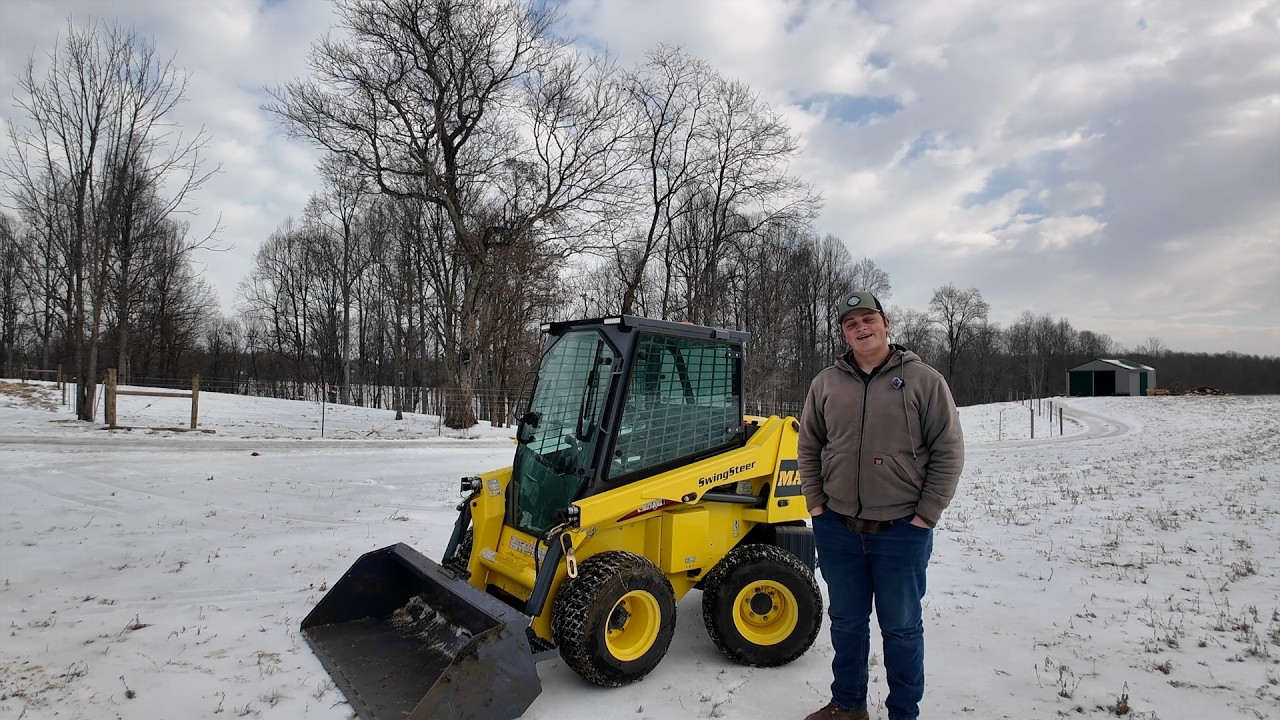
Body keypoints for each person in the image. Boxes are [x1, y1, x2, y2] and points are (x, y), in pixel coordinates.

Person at [798, 291, 964, 720]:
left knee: (902, 629)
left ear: (886, 323)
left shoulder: (924, 380)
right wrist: (816, 504)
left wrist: (926, 515)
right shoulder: (826, 383)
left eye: (867, 319)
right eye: (850, 324)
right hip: (838, 528)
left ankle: (903, 713)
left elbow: (948, 451)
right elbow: (809, 445)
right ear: (844, 334)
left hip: (901, 532)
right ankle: (848, 706)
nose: (860, 328)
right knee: (847, 625)